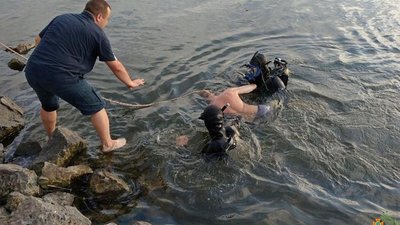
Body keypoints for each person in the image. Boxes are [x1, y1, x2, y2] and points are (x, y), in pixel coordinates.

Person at [24, 0, 144, 153]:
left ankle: (51, 138)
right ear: (99, 16)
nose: (106, 23)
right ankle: (108, 144)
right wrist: (130, 83)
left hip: (33, 70)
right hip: (62, 76)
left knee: (48, 105)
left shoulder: (62, 18)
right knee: (97, 106)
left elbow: (38, 40)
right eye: (107, 19)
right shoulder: (97, 33)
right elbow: (116, 66)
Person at [198, 84, 281, 121]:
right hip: (261, 111)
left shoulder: (212, 110)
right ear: (211, 92)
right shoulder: (229, 92)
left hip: (250, 122)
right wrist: (254, 85)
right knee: (276, 104)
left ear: (205, 100)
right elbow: (251, 87)